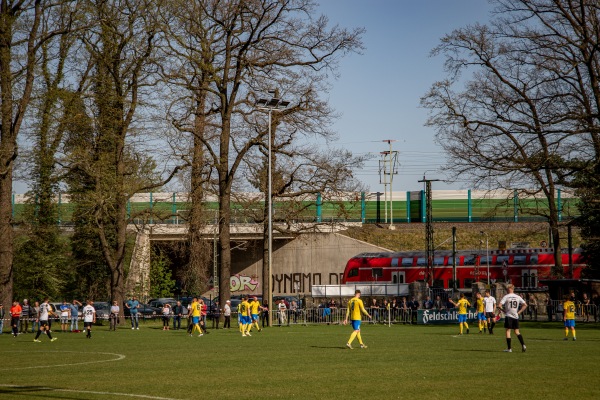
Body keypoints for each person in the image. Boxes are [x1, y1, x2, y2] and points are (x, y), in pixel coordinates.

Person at [497, 284, 527, 352]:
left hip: (509, 316)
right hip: (515, 316)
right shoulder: (518, 297)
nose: (507, 290)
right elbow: (525, 305)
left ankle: (509, 348)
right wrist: (519, 312)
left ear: (510, 289)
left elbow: (499, 305)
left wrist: (504, 311)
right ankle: (523, 345)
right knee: (517, 332)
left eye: (507, 288)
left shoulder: (506, 296)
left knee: (508, 331)